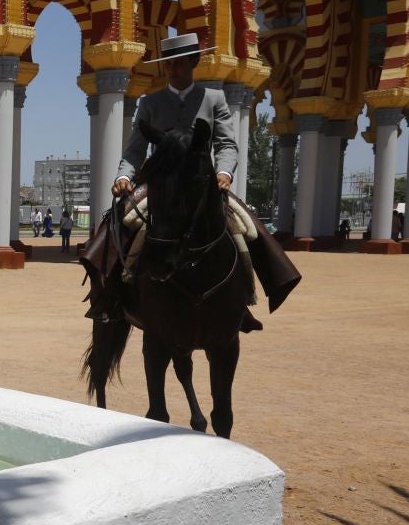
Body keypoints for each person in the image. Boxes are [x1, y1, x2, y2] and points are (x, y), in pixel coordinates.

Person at [86, 29, 299, 328]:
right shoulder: (150, 103)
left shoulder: (214, 99)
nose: (172, 70)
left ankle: (245, 298)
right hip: (161, 182)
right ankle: (109, 296)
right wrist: (123, 175)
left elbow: (226, 144)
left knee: (246, 225)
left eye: (179, 63)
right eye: (169, 64)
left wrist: (224, 172)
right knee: (119, 220)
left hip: (202, 182)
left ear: (194, 62)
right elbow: (135, 149)